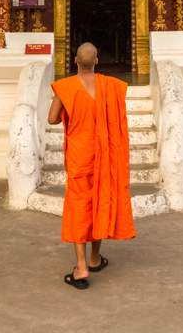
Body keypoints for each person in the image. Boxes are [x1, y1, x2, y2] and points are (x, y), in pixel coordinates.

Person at [48, 41, 135, 290]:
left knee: (79, 208)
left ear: (75, 61)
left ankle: (82, 266)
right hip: (104, 156)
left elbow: (52, 119)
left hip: (80, 157)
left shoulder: (65, 88)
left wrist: (67, 105)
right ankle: (96, 258)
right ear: (97, 61)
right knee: (99, 202)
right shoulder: (112, 87)